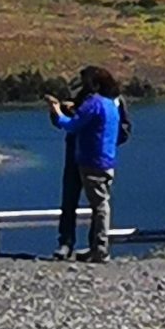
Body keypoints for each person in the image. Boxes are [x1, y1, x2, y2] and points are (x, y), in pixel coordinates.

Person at [42, 65, 123, 264]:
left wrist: (57, 111)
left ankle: (98, 248)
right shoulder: (111, 103)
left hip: (88, 158)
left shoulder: (93, 102)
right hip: (104, 158)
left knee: (98, 206)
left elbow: (71, 125)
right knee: (97, 204)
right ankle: (93, 247)